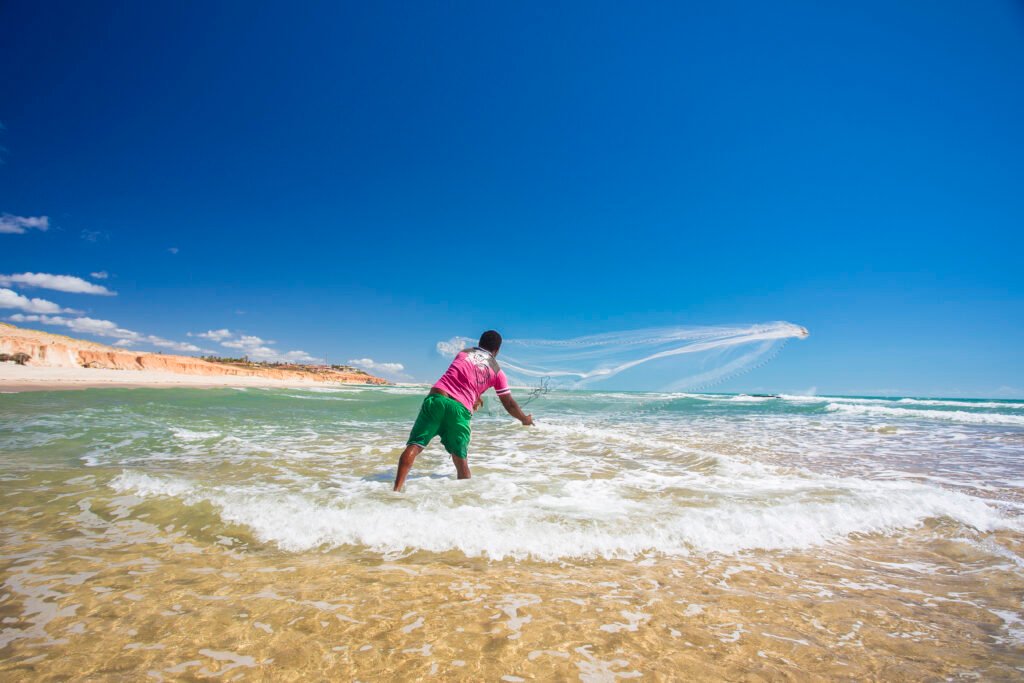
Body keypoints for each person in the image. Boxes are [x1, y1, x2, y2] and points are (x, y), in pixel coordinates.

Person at [392, 330, 533, 491]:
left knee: (415, 446)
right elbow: (509, 404)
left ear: (479, 343)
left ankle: (396, 490)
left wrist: (476, 396)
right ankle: (464, 500)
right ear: (497, 350)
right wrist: (524, 419)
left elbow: (465, 376)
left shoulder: (464, 353)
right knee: (461, 462)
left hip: (436, 399)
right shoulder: (498, 372)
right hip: (459, 410)